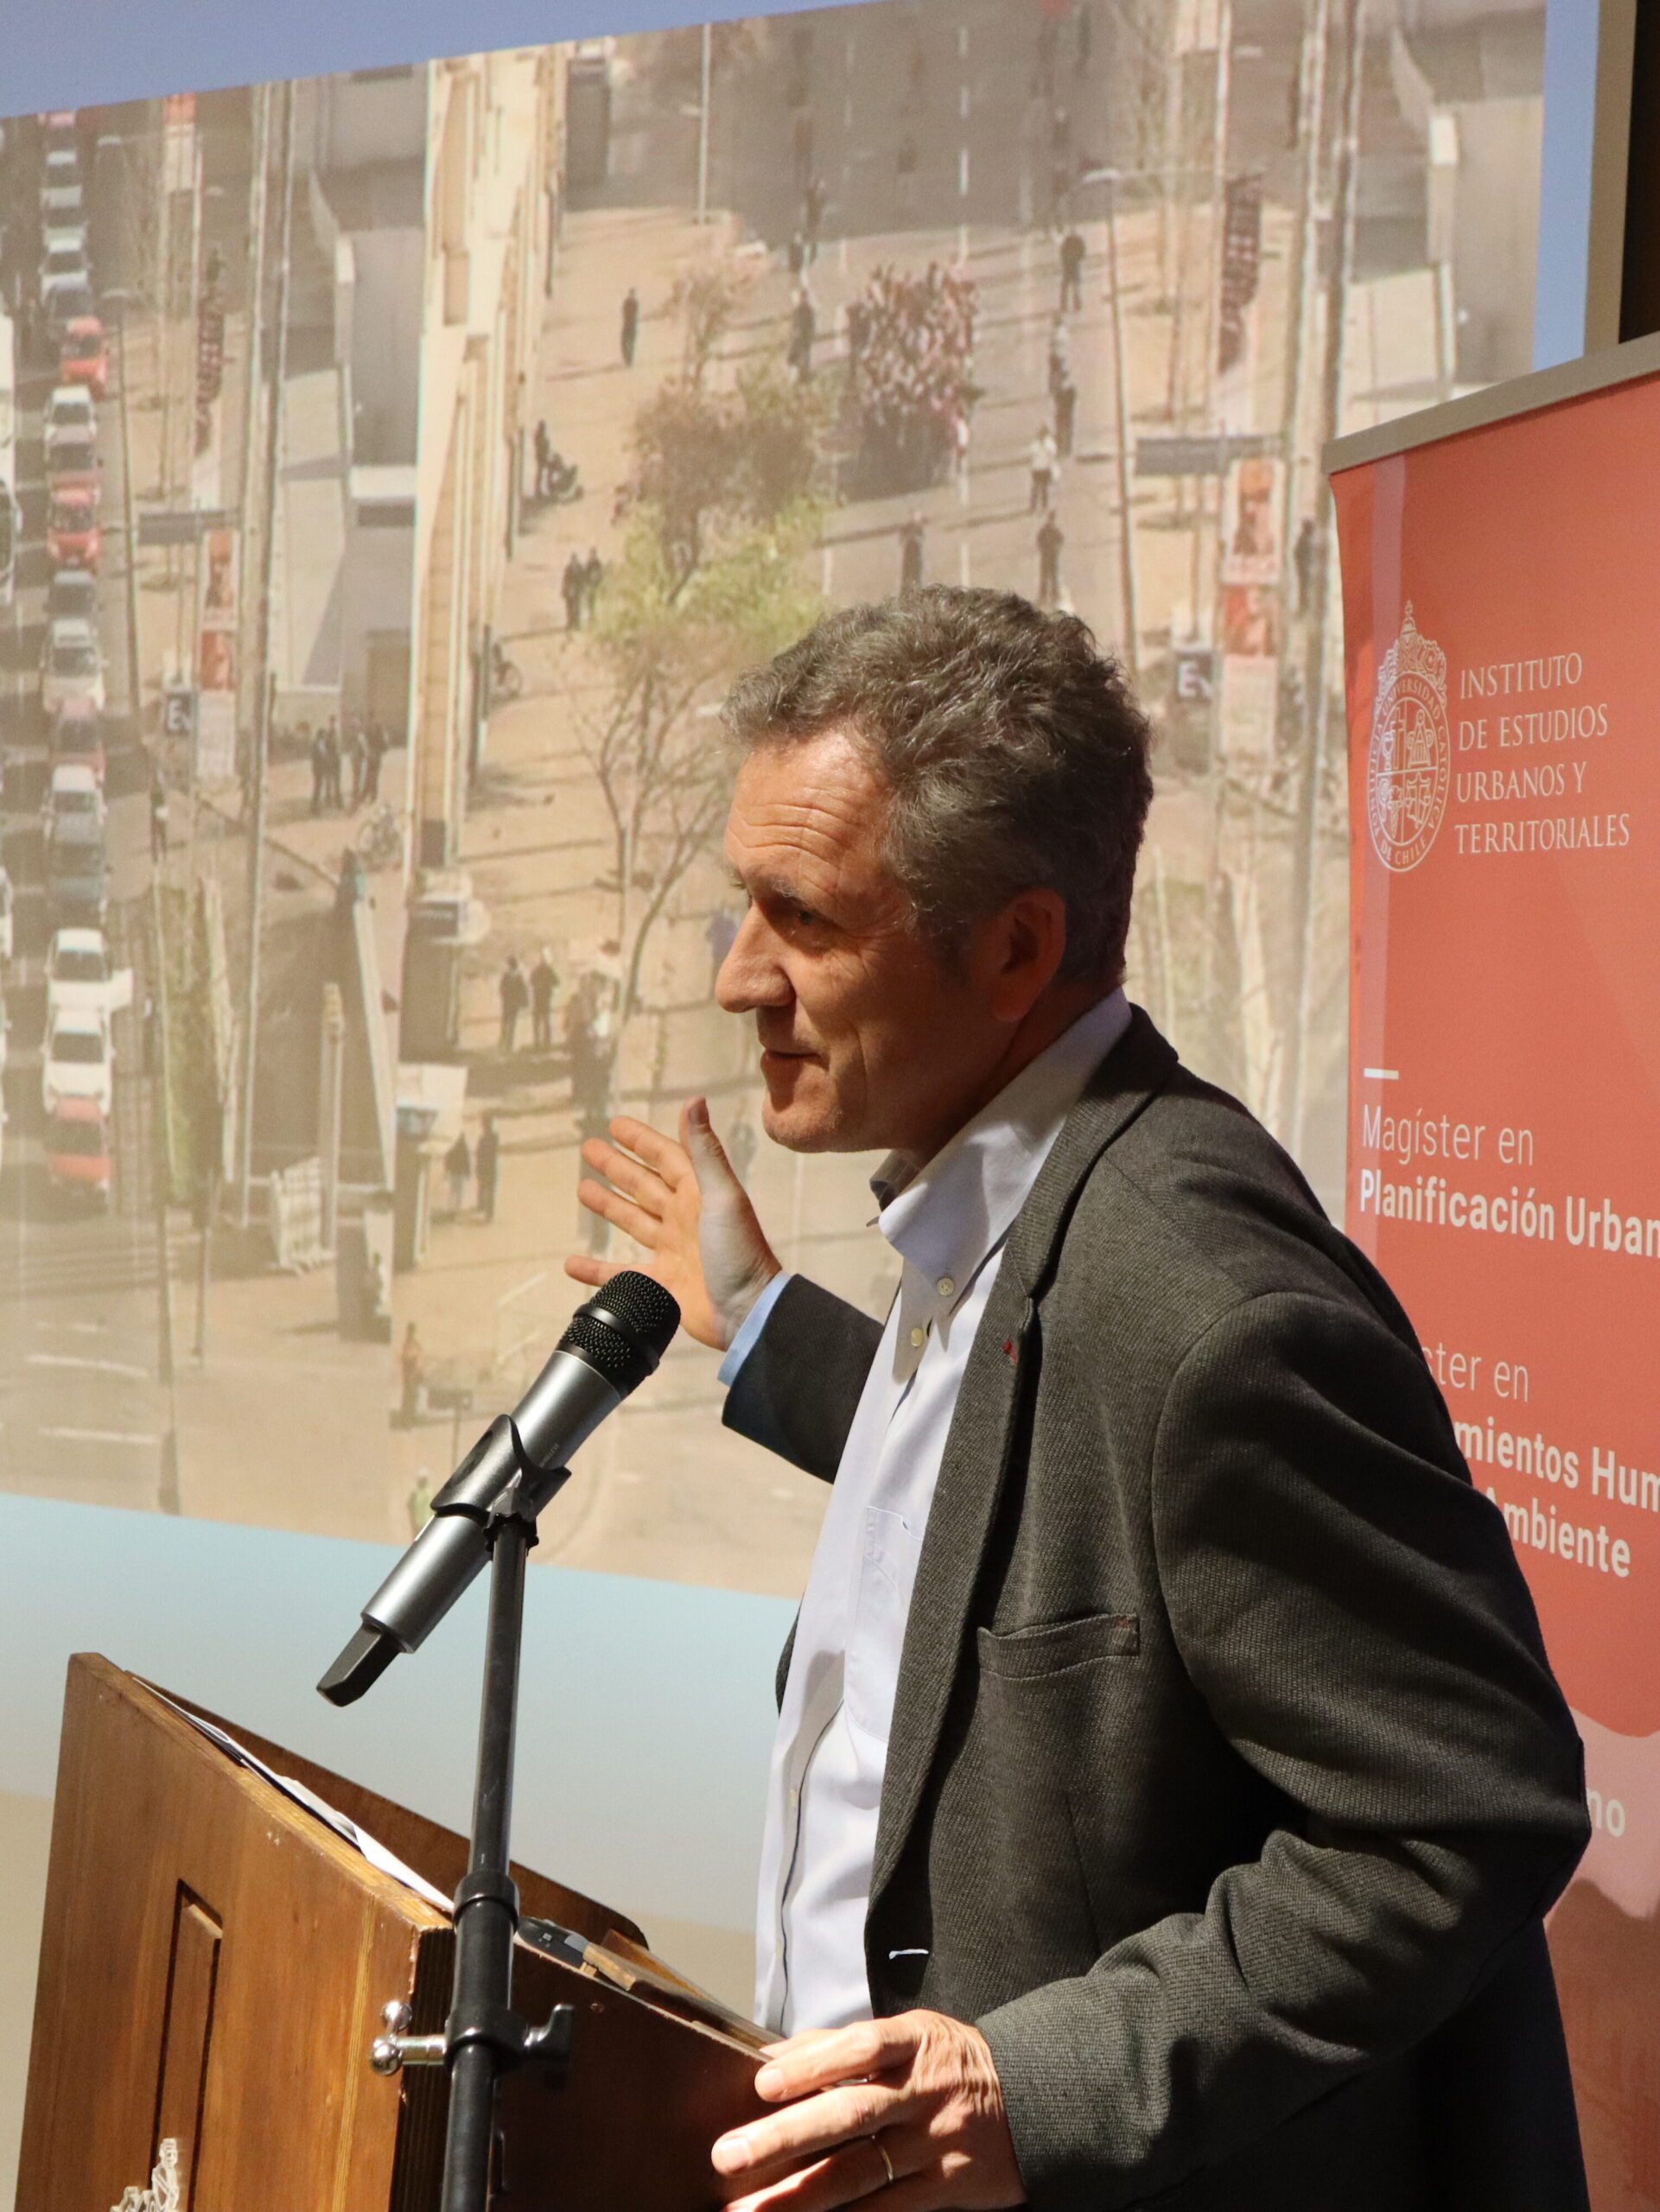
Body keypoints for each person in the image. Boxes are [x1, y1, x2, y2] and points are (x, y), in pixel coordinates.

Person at [568, 588, 1591, 2210]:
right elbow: (1023, 1498)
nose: (739, 978)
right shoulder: (1005, 1208)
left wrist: (1026, 2090)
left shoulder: (1211, 1306)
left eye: (801, 917)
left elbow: (1463, 1816)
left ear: (1018, 949)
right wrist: (757, 1325)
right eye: (738, 907)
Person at [499, 954, 529, 1052]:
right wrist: (524, 1002)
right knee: (511, 1024)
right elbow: (523, 990)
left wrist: (504, 996)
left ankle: (504, 1043)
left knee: (506, 1023)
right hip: (513, 1003)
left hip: (508, 1003)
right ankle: (508, 1044)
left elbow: (502, 988)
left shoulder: (507, 976)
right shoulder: (518, 976)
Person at [531, 947, 559, 1051]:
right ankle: (540, 1042)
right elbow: (532, 981)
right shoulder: (544, 970)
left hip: (543, 999)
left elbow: (557, 982)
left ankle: (543, 1042)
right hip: (541, 998)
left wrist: (547, 987)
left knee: (543, 1022)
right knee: (541, 1022)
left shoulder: (546, 970)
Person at [398, 1322, 424, 1428]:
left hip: (413, 1373)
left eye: (412, 1331)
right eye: (410, 1331)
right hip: (409, 1373)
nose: (411, 1333)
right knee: (408, 1397)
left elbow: (419, 1356)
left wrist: (418, 1370)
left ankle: (410, 1421)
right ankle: (407, 1422)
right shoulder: (407, 1344)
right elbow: (406, 1358)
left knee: (412, 1397)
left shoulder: (414, 1343)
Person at [475, 1114, 501, 1224]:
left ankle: (483, 1207)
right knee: (489, 1191)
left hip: (485, 1167)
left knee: (484, 1188)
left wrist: (478, 1166)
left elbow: (480, 1154)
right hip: (491, 1167)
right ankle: (488, 1212)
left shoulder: (484, 1139)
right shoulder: (494, 1138)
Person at [1036, 509, 1064, 605]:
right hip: (1049, 556)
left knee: (1051, 576)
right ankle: (1048, 595)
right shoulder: (1051, 530)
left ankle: (1050, 595)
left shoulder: (1049, 530)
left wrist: (1054, 548)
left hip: (1050, 556)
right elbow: (1060, 540)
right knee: (1048, 576)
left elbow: (1060, 540)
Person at [1028, 423, 1059, 511]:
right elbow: (1032, 455)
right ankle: (1033, 506)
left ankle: (1044, 506)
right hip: (1037, 468)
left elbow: (1052, 456)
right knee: (1035, 488)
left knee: (1044, 488)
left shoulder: (1050, 444)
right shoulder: (1035, 444)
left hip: (1045, 468)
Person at [443, 1128, 471, 1217]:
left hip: (453, 1172)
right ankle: (457, 1209)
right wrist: (468, 1172)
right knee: (459, 1192)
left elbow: (448, 1159)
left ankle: (450, 1209)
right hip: (460, 1173)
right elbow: (467, 1161)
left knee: (452, 1191)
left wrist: (446, 1171)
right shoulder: (464, 1148)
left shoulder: (452, 1147)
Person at [1059, 224, 1085, 312]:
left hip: (1069, 266)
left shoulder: (1068, 241)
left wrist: (1066, 261)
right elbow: (1082, 253)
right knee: (1074, 286)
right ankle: (1076, 305)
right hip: (1074, 265)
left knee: (1067, 286)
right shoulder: (1077, 240)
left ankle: (1065, 305)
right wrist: (1077, 258)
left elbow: (1062, 253)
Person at [360, 720, 387, 804]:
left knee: (369, 776)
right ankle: (372, 795)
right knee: (374, 776)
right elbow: (385, 748)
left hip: (371, 756)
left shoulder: (370, 733)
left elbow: (365, 741)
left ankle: (366, 794)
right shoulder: (379, 735)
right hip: (376, 757)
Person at [898, 512, 925, 592]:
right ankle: (908, 589)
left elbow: (922, 539)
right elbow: (901, 541)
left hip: (915, 552)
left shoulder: (918, 529)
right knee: (908, 572)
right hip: (910, 552)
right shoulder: (906, 528)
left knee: (916, 571)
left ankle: (916, 587)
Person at [1053, 369, 1078, 458]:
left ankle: (1065, 449)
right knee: (1062, 431)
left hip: (1065, 412)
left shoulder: (1068, 389)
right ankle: (1062, 449)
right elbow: (1057, 400)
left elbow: (1067, 401)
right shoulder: (1062, 389)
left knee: (1065, 430)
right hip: (1063, 413)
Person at [563, 550, 587, 632]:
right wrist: (565, 591)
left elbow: (583, 580)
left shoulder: (580, 568)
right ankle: (570, 623)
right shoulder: (568, 568)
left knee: (577, 608)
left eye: (575, 560)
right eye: (573, 560)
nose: (574, 561)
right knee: (569, 609)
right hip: (569, 592)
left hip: (577, 591)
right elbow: (565, 580)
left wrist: (582, 590)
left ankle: (577, 624)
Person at [149, 772, 169, 864]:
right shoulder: (158, 787)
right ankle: (160, 856)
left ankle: (160, 856)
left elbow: (152, 798)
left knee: (159, 834)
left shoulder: (155, 787)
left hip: (158, 809)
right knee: (160, 834)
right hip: (159, 809)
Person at [620, 285, 639, 368]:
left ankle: (628, 360)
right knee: (629, 343)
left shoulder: (628, 302)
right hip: (631, 325)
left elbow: (624, 312)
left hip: (629, 325)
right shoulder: (634, 302)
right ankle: (629, 360)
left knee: (627, 343)